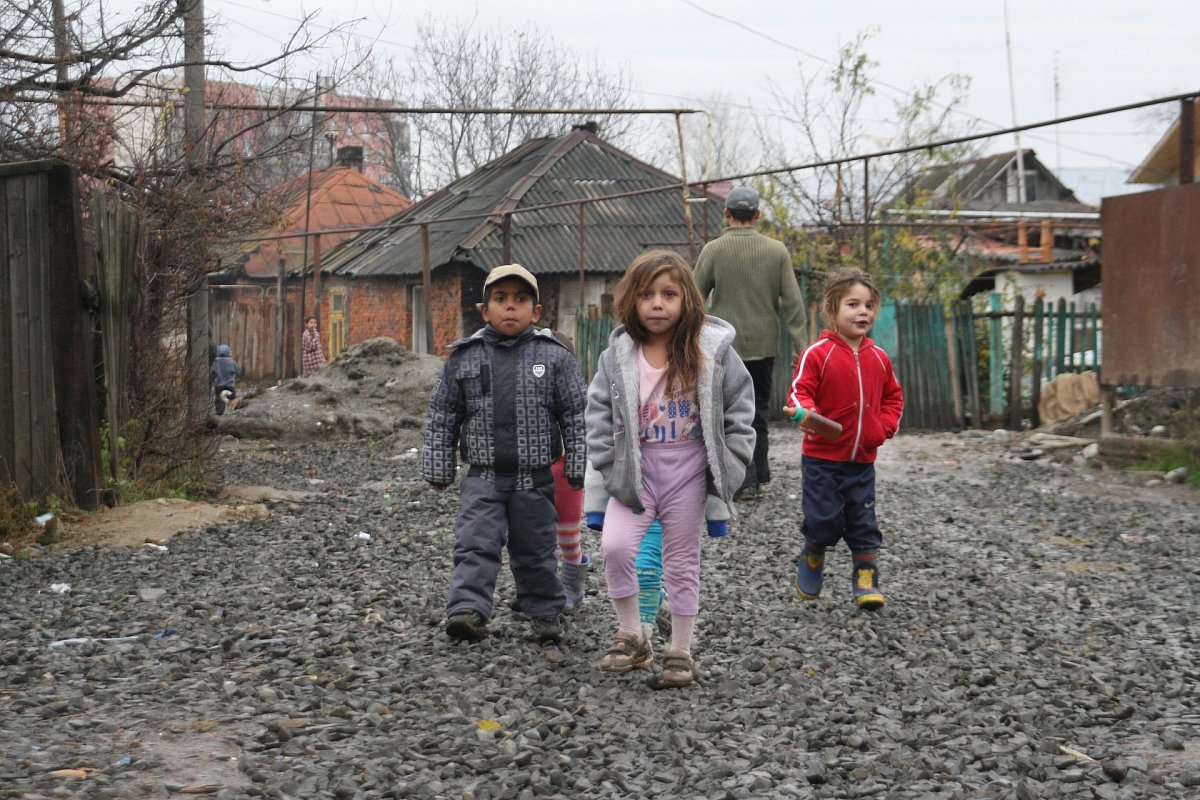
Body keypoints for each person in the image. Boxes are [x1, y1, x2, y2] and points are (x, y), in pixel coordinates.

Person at [586, 250, 755, 688]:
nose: (657, 304)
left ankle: (679, 651)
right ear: (631, 301)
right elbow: (598, 411)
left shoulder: (710, 352)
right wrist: (608, 462)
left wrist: (731, 464)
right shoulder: (619, 355)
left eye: (668, 294)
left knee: (681, 563)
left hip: (688, 472)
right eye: (646, 295)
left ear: (687, 300)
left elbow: (740, 407)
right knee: (615, 549)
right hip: (636, 472)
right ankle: (632, 635)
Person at [421, 264, 588, 644]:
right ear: (484, 310)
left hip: (536, 477)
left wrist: (576, 464)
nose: (510, 307)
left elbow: (576, 414)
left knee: (536, 548)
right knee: (475, 543)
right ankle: (467, 610)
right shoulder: (464, 358)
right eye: (500, 300)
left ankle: (545, 610)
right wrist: (438, 464)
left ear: (537, 312)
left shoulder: (556, 358)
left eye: (520, 300)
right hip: (484, 475)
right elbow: (444, 413)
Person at [784, 267, 904, 610]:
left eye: (868, 305)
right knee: (824, 520)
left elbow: (893, 398)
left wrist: (882, 428)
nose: (862, 311)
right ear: (832, 309)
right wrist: (805, 413)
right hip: (822, 458)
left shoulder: (879, 358)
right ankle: (814, 552)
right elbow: (799, 392)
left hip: (862, 460)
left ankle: (866, 577)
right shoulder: (818, 353)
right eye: (853, 304)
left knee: (863, 521)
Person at [694, 185, 808, 502]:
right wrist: (803, 347)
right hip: (763, 346)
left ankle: (741, 480)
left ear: (726, 213)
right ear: (757, 215)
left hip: (723, 349)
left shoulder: (713, 251)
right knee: (757, 411)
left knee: (726, 412)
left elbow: (692, 298)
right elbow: (795, 304)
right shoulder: (777, 251)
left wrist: (687, 338)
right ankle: (758, 475)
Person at [210, 344, 240, 415]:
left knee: (219, 399)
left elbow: (212, 372)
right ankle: (233, 412)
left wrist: (213, 380)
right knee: (232, 399)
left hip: (219, 385)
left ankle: (219, 413)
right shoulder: (231, 362)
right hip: (230, 385)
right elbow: (237, 370)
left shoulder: (216, 362)